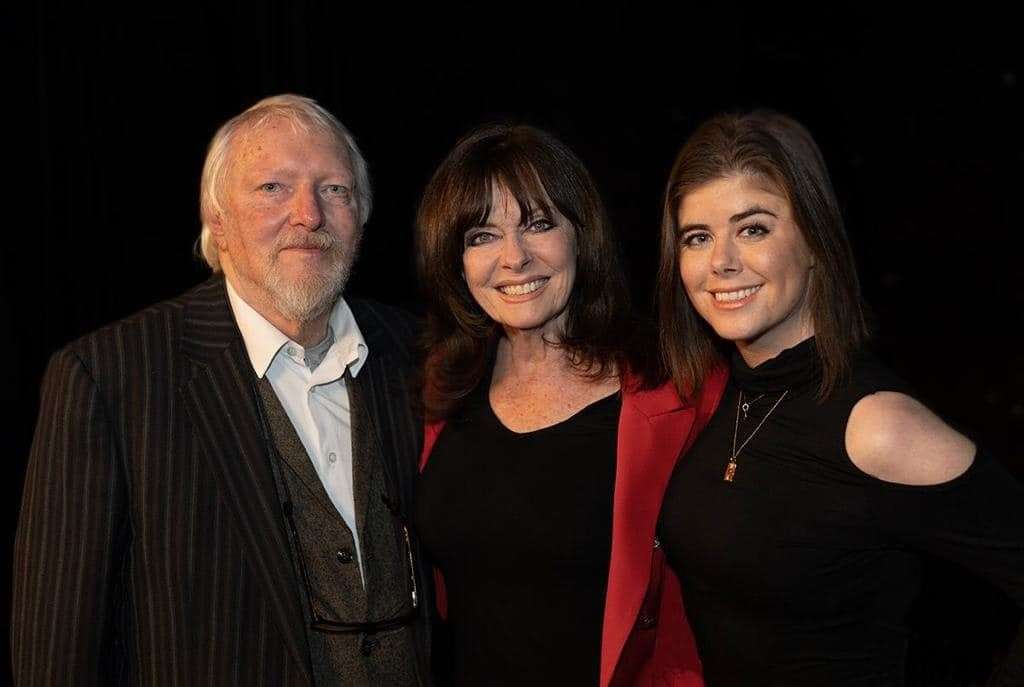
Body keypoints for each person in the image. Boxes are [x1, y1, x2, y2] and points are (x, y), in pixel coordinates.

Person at [12, 94, 432, 685]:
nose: (309, 214)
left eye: (334, 188)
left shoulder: (417, 354)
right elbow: (56, 652)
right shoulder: (110, 377)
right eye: (273, 189)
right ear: (216, 220)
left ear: (360, 214)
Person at [655, 110, 1024, 686]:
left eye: (753, 228)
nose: (721, 261)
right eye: (697, 237)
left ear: (814, 241)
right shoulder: (728, 399)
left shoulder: (877, 423)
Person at [412, 123, 726, 686]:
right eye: (481, 236)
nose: (514, 257)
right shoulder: (439, 394)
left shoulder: (680, 391)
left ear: (581, 235)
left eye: (538, 224)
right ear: (455, 262)